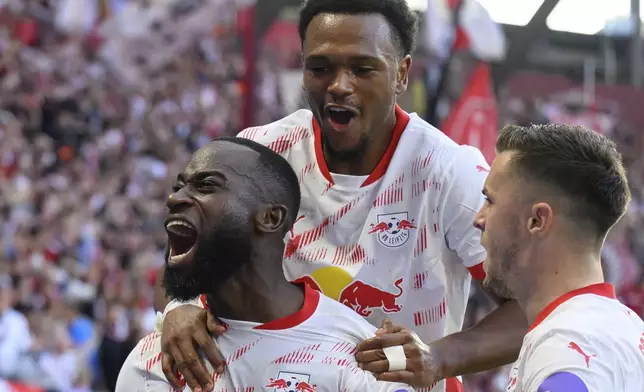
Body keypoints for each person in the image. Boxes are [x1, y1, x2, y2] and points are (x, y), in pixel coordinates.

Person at [158, 0, 529, 390]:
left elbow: (529, 303)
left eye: (362, 68)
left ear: (401, 73)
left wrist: (439, 357)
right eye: (320, 68)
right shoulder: (259, 155)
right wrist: (178, 305)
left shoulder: (449, 172)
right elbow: (186, 246)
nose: (339, 85)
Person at [116, 137, 415, 391]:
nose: (174, 198)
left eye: (205, 186)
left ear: (271, 218)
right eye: (178, 186)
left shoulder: (361, 356)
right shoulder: (156, 362)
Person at [473, 124, 644, 391]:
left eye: (490, 201)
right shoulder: (630, 327)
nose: (479, 218)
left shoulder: (566, 344)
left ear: (537, 220)